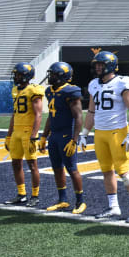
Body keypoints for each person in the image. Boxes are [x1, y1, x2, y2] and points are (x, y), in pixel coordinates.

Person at [77, 51, 129, 222]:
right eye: (97, 65)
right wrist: (85, 133)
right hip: (100, 133)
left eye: (101, 64)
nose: (98, 67)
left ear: (111, 65)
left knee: (123, 172)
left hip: (117, 132)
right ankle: (113, 206)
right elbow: (91, 111)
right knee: (106, 171)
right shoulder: (94, 84)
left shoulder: (123, 82)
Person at [39, 62, 86, 214]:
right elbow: (51, 116)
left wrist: (74, 139)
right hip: (55, 135)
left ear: (62, 76)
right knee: (57, 168)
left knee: (72, 169)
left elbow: (78, 117)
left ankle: (80, 201)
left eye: (53, 74)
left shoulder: (70, 92)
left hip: (66, 135)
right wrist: (44, 136)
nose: (50, 76)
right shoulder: (49, 91)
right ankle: (63, 200)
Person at [4, 63, 44, 206]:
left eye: (19, 74)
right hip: (17, 131)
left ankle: (35, 195)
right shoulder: (15, 89)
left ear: (26, 75)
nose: (16, 77)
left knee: (32, 165)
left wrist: (34, 135)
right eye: (15, 74)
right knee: (15, 163)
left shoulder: (33, 90)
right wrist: (9, 135)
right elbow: (14, 114)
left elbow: (39, 115)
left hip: (28, 131)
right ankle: (21, 194)